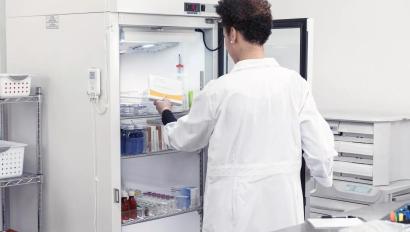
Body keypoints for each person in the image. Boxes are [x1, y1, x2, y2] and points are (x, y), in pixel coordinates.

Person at [154, 0, 337, 231]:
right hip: (284, 212)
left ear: (232, 34)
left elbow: (183, 138)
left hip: (234, 215)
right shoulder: (295, 84)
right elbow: (321, 152)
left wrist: (165, 111)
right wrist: (323, 179)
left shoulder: (219, 90)